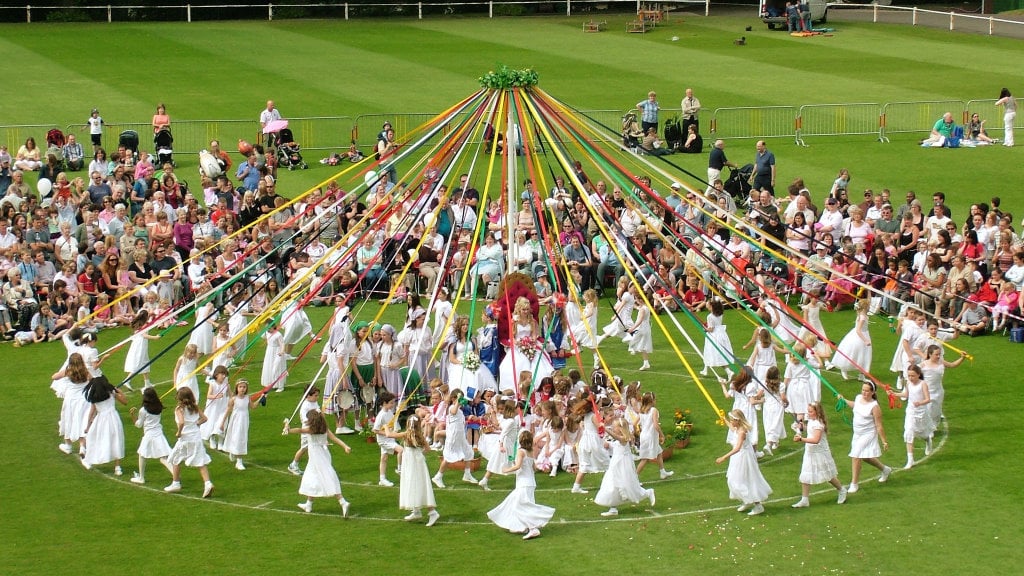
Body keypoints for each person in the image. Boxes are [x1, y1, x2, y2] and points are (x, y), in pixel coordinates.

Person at [486, 430, 554, 540]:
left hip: (524, 483)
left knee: (521, 506)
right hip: (530, 482)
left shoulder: (521, 452)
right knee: (520, 504)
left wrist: (506, 470)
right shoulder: (531, 451)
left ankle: (533, 528)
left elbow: (518, 466)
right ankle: (522, 526)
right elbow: (533, 468)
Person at [284, 409, 353, 516]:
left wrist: (288, 429)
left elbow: (298, 430)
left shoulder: (310, 429)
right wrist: (345, 446)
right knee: (313, 478)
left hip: (316, 456)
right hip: (323, 454)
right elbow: (334, 438)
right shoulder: (324, 428)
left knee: (327, 477)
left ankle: (343, 502)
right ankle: (309, 504)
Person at [384, 409, 440, 526]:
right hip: (418, 463)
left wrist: (385, 426)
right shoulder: (420, 435)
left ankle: (432, 512)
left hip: (411, 463)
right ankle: (416, 510)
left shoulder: (406, 434)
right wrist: (419, 455)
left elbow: (389, 435)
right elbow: (428, 449)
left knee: (414, 484)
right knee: (417, 484)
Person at [594, 416, 656, 517]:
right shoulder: (620, 440)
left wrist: (605, 428)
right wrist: (608, 444)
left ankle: (648, 493)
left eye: (615, 427)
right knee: (612, 484)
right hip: (615, 464)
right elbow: (615, 444)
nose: (613, 429)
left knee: (628, 485)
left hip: (623, 465)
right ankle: (613, 508)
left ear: (620, 428)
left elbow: (617, 438)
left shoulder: (625, 438)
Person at [839, 382, 893, 494]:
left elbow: (879, 425)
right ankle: (885, 469)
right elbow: (855, 405)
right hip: (857, 433)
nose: (864, 392)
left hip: (868, 434)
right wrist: (844, 400)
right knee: (865, 457)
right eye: (863, 390)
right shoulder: (858, 398)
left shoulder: (874, 406)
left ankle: (854, 484)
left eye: (867, 391)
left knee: (856, 455)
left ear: (873, 392)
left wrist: (884, 441)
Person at [715, 409, 772, 516]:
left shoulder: (742, 432)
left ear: (738, 421)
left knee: (745, 479)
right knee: (735, 479)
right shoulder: (738, 428)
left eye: (733, 420)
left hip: (743, 457)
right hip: (738, 457)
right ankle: (747, 500)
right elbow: (732, 429)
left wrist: (723, 457)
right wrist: (724, 420)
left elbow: (737, 448)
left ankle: (757, 505)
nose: (731, 422)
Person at [791, 402, 847, 507]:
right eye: (808, 411)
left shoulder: (818, 424)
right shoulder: (812, 421)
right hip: (810, 452)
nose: (808, 413)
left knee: (828, 475)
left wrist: (801, 439)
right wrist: (802, 427)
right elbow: (810, 430)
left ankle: (842, 490)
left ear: (817, 412)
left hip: (820, 453)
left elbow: (816, 439)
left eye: (811, 411)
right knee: (805, 474)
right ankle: (804, 499)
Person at [432, 388, 479, 488]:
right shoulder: (452, 408)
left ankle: (467, 474)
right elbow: (453, 411)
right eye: (459, 399)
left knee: (468, 453)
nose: (461, 402)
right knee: (448, 457)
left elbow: (458, 421)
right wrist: (457, 401)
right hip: (453, 438)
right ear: (454, 399)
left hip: (460, 437)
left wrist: (467, 419)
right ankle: (438, 476)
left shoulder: (460, 411)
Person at [888, 364, 932, 470]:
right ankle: (910, 459)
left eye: (913, 375)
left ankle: (928, 440)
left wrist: (920, 403)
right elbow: (906, 395)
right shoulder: (908, 383)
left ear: (918, 374)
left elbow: (928, 399)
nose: (911, 378)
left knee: (922, 433)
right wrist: (894, 394)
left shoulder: (923, 384)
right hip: (911, 411)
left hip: (921, 412)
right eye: (909, 375)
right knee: (908, 432)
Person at [128, 387, 173, 485]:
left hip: (149, 435)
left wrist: (132, 415)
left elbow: (139, 425)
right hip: (159, 433)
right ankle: (175, 476)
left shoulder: (143, 410)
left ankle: (141, 478)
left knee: (142, 455)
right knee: (163, 458)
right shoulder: (159, 406)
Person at [219, 379, 263, 471]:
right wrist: (222, 423)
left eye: (244, 387)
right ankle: (238, 460)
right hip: (235, 421)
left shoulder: (247, 398)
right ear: (237, 388)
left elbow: (253, 406)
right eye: (240, 387)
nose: (242, 389)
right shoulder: (233, 399)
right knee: (236, 437)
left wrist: (261, 399)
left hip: (244, 421)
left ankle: (236, 455)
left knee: (242, 438)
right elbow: (228, 411)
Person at [827, 297, 872, 381]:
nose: (870, 307)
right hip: (860, 336)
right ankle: (844, 369)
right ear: (866, 307)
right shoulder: (862, 317)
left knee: (864, 354)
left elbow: (869, 299)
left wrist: (869, 289)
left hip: (864, 333)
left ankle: (861, 375)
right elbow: (858, 330)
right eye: (869, 305)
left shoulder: (862, 314)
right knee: (855, 353)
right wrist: (865, 340)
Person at [635, 391, 673, 479]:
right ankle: (634, 477)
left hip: (644, 436)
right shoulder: (653, 410)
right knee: (645, 459)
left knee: (659, 452)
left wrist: (638, 431)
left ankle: (662, 472)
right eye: (655, 399)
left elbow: (634, 423)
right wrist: (662, 435)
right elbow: (656, 425)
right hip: (650, 437)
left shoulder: (641, 410)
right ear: (651, 401)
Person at [372, 391, 404, 487]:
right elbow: (375, 430)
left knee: (384, 458)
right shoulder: (380, 416)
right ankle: (399, 469)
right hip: (384, 440)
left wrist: (394, 431)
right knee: (401, 450)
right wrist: (388, 433)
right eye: (391, 403)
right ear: (384, 403)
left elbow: (392, 422)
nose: (393, 404)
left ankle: (382, 479)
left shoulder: (389, 412)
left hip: (390, 438)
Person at [123, 310, 159, 391]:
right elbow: (144, 335)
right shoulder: (144, 325)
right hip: (140, 346)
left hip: (138, 344)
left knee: (145, 362)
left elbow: (150, 323)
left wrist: (152, 316)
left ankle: (147, 383)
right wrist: (155, 337)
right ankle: (127, 380)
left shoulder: (139, 324)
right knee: (138, 363)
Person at [701, 299, 735, 377]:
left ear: (711, 306)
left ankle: (729, 372)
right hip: (721, 333)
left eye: (708, 304)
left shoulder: (709, 316)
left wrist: (704, 328)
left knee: (713, 352)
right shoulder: (720, 314)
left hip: (714, 335)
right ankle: (705, 369)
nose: (706, 305)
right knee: (710, 351)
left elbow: (711, 329)